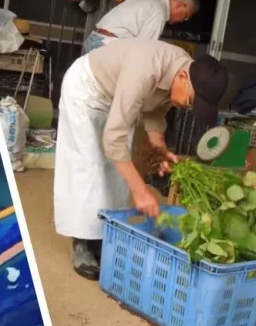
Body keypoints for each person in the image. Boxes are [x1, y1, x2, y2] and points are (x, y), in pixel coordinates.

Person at [54, 39, 227, 280]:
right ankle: (82, 241)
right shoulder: (145, 71)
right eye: (190, 101)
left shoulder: (178, 71)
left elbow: (155, 111)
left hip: (117, 97)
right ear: (182, 78)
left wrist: (159, 148)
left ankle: (101, 236)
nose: (188, 107)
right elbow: (113, 138)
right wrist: (141, 191)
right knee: (90, 166)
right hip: (88, 90)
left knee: (116, 175)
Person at [83, 0, 199, 53]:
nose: (182, 21)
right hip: (104, 45)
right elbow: (142, 50)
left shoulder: (152, 1)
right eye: (185, 16)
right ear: (180, 5)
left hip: (96, 39)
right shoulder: (159, 12)